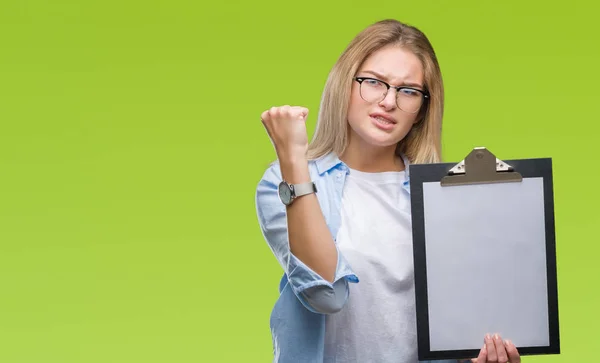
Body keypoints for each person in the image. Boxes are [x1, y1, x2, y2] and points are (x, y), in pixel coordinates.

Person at [255, 19, 522, 363]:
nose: (389, 101)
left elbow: (458, 321)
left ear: (422, 111)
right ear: (345, 85)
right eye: (374, 82)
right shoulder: (284, 181)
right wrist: (293, 158)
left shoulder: (445, 196)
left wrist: (483, 354)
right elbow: (325, 295)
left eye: (408, 91)